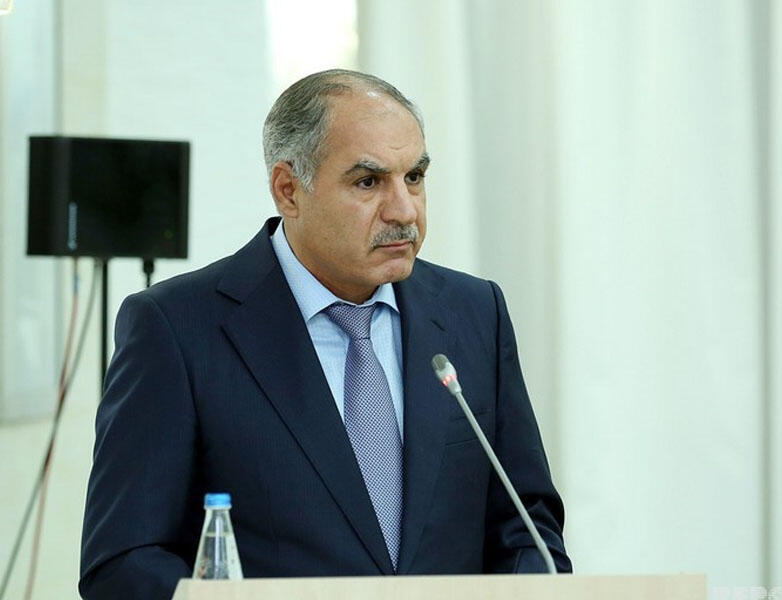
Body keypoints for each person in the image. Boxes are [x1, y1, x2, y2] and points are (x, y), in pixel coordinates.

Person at [79, 69, 571, 600]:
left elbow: (527, 526)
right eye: (368, 182)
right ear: (288, 190)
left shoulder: (474, 311)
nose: (404, 210)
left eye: (414, 177)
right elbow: (123, 562)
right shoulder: (176, 327)